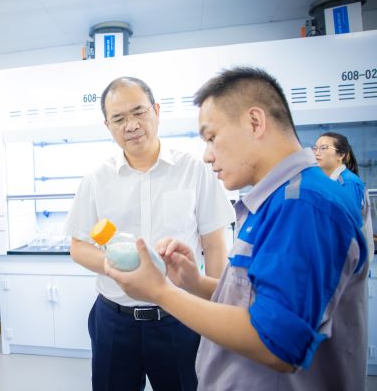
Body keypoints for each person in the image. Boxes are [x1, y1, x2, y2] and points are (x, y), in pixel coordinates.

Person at [105, 67, 369, 390]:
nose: (207, 155)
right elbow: (256, 302)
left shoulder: (305, 205)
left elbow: (274, 342)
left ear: (255, 122)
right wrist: (194, 282)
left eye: (212, 138)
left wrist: (160, 292)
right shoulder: (275, 201)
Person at [64, 76, 235, 390]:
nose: (131, 125)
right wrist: (114, 267)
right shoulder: (96, 179)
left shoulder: (194, 169)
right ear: (107, 125)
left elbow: (214, 246)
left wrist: (215, 313)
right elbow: (78, 246)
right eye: (119, 119)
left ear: (156, 111)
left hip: (180, 317)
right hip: (113, 320)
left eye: (138, 112)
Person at [313, 131, 374, 259]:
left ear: (341, 155)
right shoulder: (329, 181)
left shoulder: (347, 183)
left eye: (323, 148)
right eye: (315, 148)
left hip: (347, 257)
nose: (317, 152)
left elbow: (347, 227)